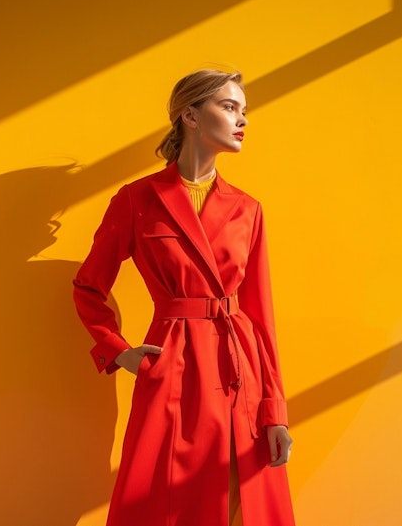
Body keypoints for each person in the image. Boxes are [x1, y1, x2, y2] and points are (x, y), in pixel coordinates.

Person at [73, 69, 295, 526]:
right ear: (190, 115)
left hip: (238, 366)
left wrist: (275, 409)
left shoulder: (247, 208)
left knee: (241, 506)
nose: (242, 120)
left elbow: (261, 314)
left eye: (243, 110)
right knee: (161, 503)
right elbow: (89, 287)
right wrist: (122, 354)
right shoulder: (137, 200)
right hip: (172, 363)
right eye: (230, 107)